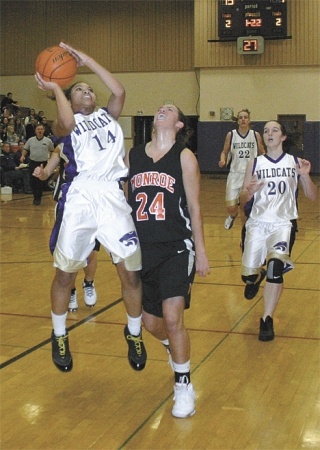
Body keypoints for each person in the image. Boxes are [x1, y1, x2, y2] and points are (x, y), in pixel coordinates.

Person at [33, 41, 147, 373]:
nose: (87, 92)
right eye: (79, 89)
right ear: (69, 99)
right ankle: (59, 334)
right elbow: (66, 125)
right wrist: (57, 88)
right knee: (65, 273)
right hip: (81, 196)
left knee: (131, 271)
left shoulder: (108, 116)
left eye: (89, 90)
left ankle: (134, 333)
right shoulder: (63, 125)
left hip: (112, 195)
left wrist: (87, 61)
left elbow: (120, 90)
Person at [126, 104, 210, 418]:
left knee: (173, 318)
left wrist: (200, 250)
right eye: (160, 107)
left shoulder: (185, 157)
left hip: (176, 247)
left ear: (178, 125)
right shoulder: (133, 155)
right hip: (141, 250)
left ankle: (183, 385)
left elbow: (194, 205)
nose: (162, 109)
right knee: (151, 323)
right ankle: (171, 350)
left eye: (170, 109)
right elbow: (122, 200)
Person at [240, 120, 317, 342]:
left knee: (275, 268)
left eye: (274, 130)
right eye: (266, 131)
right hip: (257, 224)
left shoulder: (296, 162)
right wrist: (250, 193)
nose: (269, 133)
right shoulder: (254, 163)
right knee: (248, 275)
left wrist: (305, 176)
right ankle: (255, 277)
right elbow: (243, 199)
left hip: (283, 224)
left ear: (283, 137)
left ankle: (267, 319)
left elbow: (313, 197)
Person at [33, 143, 99, 311]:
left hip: (91, 205)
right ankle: (70, 289)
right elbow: (47, 172)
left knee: (90, 251)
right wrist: (42, 174)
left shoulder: (96, 143)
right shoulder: (62, 147)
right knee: (68, 253)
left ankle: (89, 283)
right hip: (66, 206)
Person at [218, 109, 265, 230]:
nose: (243, 119)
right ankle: (232, 215)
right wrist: (222, 160)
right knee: (231, 206)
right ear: (238, 121)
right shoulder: (231, 135)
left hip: (250, 175)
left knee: (246, 207)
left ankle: (246, 232)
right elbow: (224, 151)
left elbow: (262, 152)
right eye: (240, 117)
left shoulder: (255, 135)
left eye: (245, 117)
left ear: (249, 120)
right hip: (235, 174)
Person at [20, 123, 54, 204]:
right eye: (38, 129)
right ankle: (35, 196)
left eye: (41, 129)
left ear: (44, 131)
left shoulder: (48, 141)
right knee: (33, 181)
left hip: (43, 163)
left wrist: (51, 160)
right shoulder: (30, 140)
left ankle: (38, 198)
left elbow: (52, 151)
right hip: (33, 162)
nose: (40, 131)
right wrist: (22, 156)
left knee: (41, 181)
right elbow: (25, 149)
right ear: (35, 131)